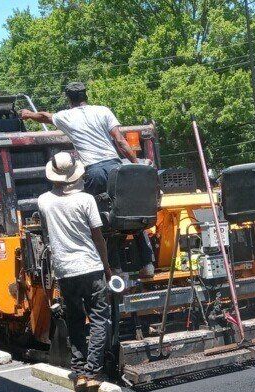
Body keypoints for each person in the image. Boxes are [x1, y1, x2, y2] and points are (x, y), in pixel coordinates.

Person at [20, 81, 155, 277]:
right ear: (86, 95)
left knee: (102, 221)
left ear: (68, 99)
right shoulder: (103, 111)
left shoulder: (66, 116)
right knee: (130, 211)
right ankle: (147, 264)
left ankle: (115, 269)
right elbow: (120, 140)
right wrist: (136, 164)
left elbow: (45, 116)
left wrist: (28, 114)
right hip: (116, 168)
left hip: (95, 171)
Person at [37, 153, 114, 392]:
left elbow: (46, 231)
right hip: (90, 267)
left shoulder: (44, 201)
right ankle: (92, 372)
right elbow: (97, 237)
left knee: (75, 320)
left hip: (65, 270)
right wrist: (107, 266)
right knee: (99, 318)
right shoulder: (86, 200)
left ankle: (79, 372)